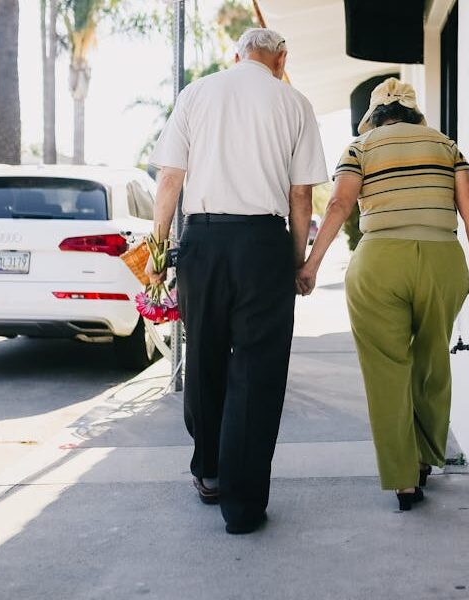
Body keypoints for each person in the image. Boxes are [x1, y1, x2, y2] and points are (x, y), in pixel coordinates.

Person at [147, 28, 328, 534]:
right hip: (263, 244)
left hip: (203, 241)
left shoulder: (196, 94)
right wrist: (295, 260)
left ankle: (208, 472)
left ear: (236, 55)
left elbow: (168, 180)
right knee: (257, 370)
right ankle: (243, 507)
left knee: (204, 356)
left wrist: (159, 253)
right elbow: (300, 195)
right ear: (280, 58)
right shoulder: (294, 102)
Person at [297, 78, 469, 511]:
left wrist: (311, 265)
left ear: (375, 116)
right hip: (442, 260)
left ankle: (403, 482)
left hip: (379, 262)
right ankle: (424, 457)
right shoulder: (445, 146)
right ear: (413, 113)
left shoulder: (359, 148)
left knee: (387, 371)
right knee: (432, 359)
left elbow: (340, 205)